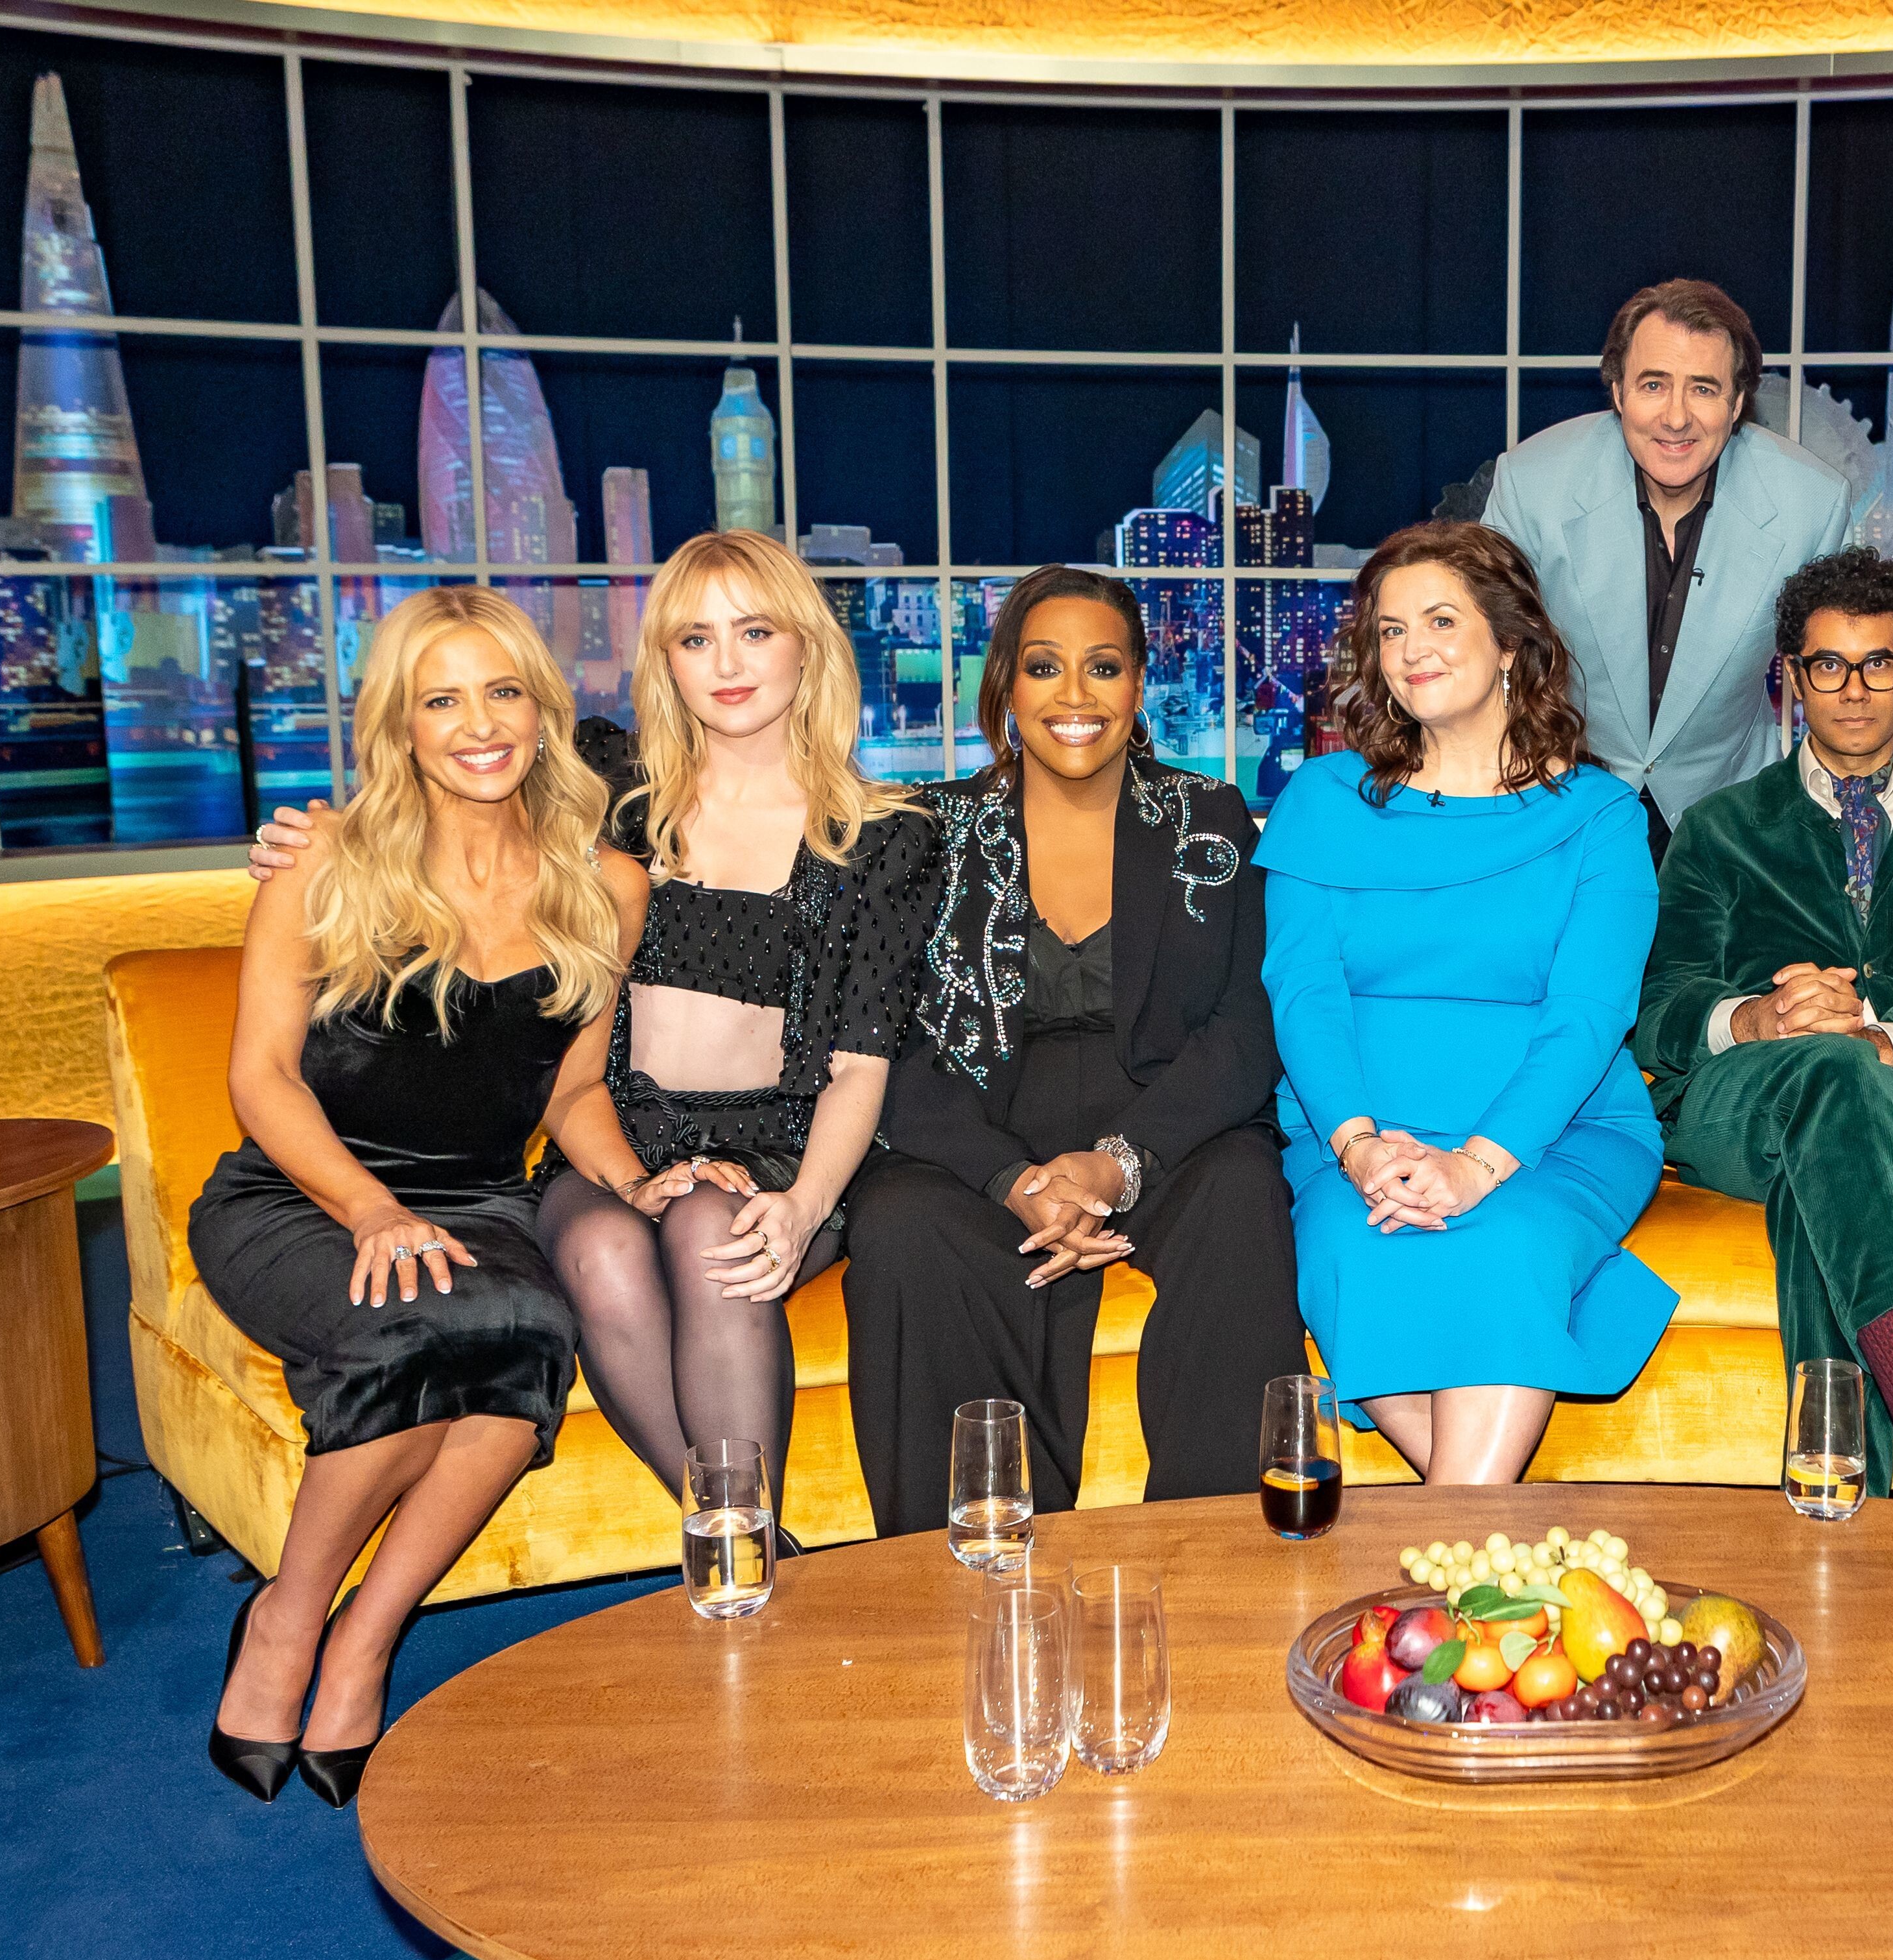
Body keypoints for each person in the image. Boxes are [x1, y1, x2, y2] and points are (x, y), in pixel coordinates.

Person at [254, 531, 929, 1540]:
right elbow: (453, 799)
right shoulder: (614, 798)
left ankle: (742, 1557)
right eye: (694, 639)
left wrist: (801, 1208)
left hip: (784, 1148)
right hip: (616, 1137)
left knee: (710, 1229)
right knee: (607, 1250)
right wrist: (313, 838)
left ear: (808, 646)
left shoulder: (880, 835)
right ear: (665, 660)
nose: (727, 662)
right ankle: (753, 1551)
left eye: (755, 632)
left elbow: (859, 1065)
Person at [193, 588, 643, 1808]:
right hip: (302, 1191)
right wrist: (369, 1210)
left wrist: (639, 1181)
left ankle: (366, 1635)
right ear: (400, 724)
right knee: (417, 1329)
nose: (478, 724)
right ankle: (286, 1619)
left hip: (483, 1199)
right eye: (442, 699)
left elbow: (572, 1090)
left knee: (527, 1327)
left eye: (503, 692)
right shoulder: (323, 863)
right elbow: (260, 1077)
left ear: (544, 714)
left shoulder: (604, 884)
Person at [841, 568, 1305, 1526]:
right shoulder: (928, 830)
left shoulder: (1209, 817)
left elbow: (1245, 1022)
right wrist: (1012, 1178)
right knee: (901, 1228)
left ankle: (1218, 1550)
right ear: (1006, 686)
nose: (1075, 695)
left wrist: (1118, 1163)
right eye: (1045, 667)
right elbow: (889, 1036)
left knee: (1241, 1197)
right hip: (977, 1129)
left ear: (1138, 685)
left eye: (1103, 666)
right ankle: (970, 1552)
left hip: (1167, 1126)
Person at [1257, 520, 1678, 1483]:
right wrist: (1360, 1148)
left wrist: (1478, 1166)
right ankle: (1493, 1556)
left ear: (1510, 643)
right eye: (1391, 630)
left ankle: (1458, 1550)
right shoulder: (1321, 800)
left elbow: (1587, 1016)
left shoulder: (1601, 818)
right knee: (1354, 1252)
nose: (1412, 649)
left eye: (1441, 620)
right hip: (1352, 1138)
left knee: (1507, 1246)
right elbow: (1305, 994)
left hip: (1555, 1137)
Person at [1636, 548, 1893, 1510]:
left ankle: (1839, 1489)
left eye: (1876, 664)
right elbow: (1656, 1012)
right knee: (1826, 1077)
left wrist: (1879, 1039)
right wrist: (1754, 1016)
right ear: (1791, 676)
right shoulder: (1718, 828)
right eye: (1828, 665)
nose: (1853, 690)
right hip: (1738, 1107)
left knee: (1829, 1134)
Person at [1482, 277, 1852, 857]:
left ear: (1737, 404)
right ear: (1618, 392)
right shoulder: (1532, 483)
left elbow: (1843, 680)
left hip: (1733, 813)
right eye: (1653, 385)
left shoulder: (1812, 503)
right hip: (1561, 801)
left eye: (1703, 389)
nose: (1676, 418)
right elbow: (1481, 654)